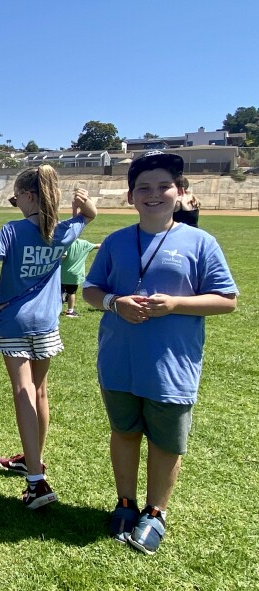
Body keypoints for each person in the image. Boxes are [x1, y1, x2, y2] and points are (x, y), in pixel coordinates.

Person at [82, 151, 237, 554]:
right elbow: (91, 290)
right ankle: (126, 502)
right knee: (124, 432)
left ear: (181, 192)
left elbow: (227, 299)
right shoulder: (116, 241)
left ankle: (156, 511)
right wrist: (116, 303)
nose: (154, 194)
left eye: (163, 186)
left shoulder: (201, 242)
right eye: (144, 188)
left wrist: (175, 305)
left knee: (166, 442)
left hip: (172, 365)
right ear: (132, 196)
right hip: (118, 361)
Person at [0, 165, 97, 509]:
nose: (15, 202)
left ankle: (35, 481)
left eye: (17, 196)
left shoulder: (13, 230)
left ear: (28, 196)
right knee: (39, 392)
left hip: (14, 321)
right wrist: (80, 203)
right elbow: (91, 214)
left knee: (23, 392)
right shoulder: (63, 230)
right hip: (47, 322)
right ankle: (33, 461)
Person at [60, 238, 100, 317]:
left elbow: (63, 255)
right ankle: (70, 311)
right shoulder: (84, 244)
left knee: (60, 291)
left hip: (62, 273)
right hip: (75, 275)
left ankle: (58, 306)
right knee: (72, 293)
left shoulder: (66, 243)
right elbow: (97, 246)